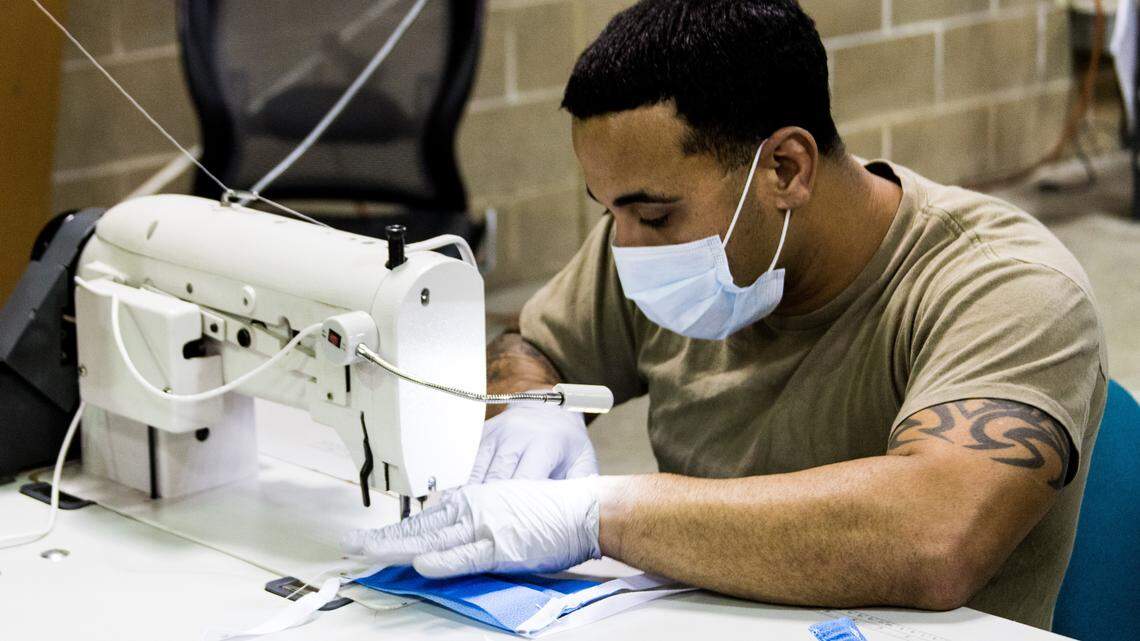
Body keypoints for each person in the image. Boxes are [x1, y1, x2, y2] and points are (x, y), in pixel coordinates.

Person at [342, 0, 1107, 630]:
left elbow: (935, 534)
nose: (627, 244)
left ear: (786, 169)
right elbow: (533, 342)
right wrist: (530, 403)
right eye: (609, 211)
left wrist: (603, 512)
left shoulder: (1003, 285)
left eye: (652, 213)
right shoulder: (658, 242)